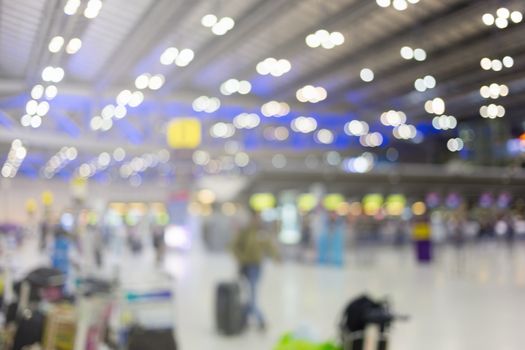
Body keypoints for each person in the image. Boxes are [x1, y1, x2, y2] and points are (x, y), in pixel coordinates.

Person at [231, 210, 279, 331]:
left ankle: (248, 318)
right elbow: (234, 246)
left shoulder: (262, 232)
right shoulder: (245, 232)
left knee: (252, 293)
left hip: (257, 267)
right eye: (255, 218)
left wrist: (276, 257)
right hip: (246, 266)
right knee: (250, 294)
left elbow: (269, 247)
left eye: (259, 218)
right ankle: (260, 319)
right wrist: (241, 258)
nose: (257, 220)